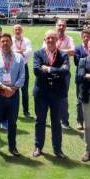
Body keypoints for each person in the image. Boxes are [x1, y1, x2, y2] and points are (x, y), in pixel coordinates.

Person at [33, 30, 70, 159]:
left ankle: (57, 149)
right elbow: (36, 71)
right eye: (48, 38)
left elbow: (65, 72)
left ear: (57, 40)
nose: (50, 40)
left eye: (52, 38)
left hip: (57, 94)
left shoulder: (63, 55)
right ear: (45, 39)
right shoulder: (38, 53)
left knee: (56, 122)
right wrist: (57, 72)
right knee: (40, 121)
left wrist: (48, 69)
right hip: (41, 93)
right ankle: (38, 147)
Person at [0, 33, 25, 156]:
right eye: (2, 41)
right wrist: (3, 88)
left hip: (13, 94)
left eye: (7, 41)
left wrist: (13, 89)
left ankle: (12, 147)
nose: (5, 43)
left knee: (12, 122)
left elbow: (22, 76)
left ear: (11, 43)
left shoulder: (19, 58)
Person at [53, 19, 75, 129]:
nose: (61, 27)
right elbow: (45, 50)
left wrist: (57, 50)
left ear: (65, 27)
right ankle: (53, 120)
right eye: (59, 25)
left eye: (63, 25)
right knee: (50, 96)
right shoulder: (51, 37)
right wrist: (64, 51)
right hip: (51, 72)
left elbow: (73, 51)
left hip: (64, 73)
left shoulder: (69, 39)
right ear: (56, 26)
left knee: (63, 97)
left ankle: (64, 121)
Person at [73, 29, 90, 130]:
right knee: (80, 101)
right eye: (84, 37)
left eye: (87, 37)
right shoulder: (77, 48)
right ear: (82, 37)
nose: (86, 38)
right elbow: (77, 63)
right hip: (80, 78)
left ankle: (87, 121)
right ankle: (79, 121)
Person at [13, 24, 33, 119]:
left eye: (19, 29)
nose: (17, 31)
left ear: (22, 30)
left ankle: (26, 111)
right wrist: (21, 51)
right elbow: (10, 52)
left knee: (24, 91)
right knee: (13, 90)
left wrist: (20, 52)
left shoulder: (27, 40)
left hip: (24, 67)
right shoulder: (11, 40)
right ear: (13, 31)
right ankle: (14, 111)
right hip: (13, 67)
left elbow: (29, 52)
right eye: (16, 29)